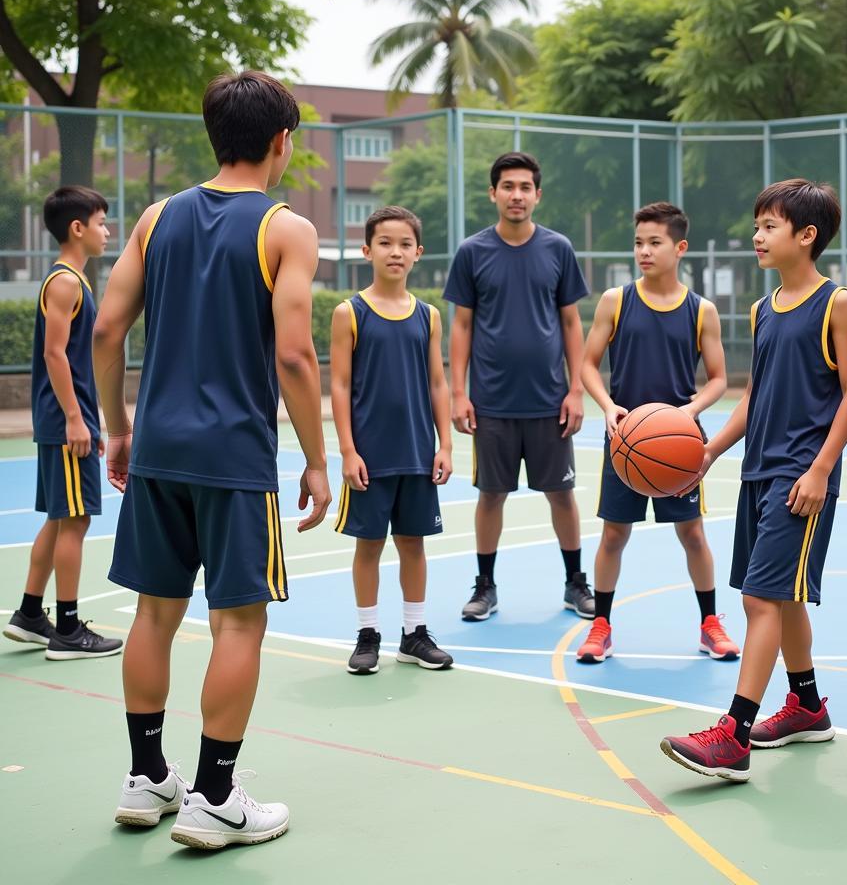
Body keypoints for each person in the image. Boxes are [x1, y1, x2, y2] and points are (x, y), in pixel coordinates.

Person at [94, 71, 331, 847]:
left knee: (153, 614)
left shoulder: (157, 218)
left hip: (158, 450)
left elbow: (105, 330)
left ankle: (145, 779)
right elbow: (295, 355)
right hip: (233, 457)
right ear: (280, 142)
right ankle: (216, 796)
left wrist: (119, 427)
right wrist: (317, 459)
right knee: (238, 623)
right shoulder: (286, 228)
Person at [660, 178, 847, 782]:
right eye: (757, 225)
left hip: (800, 476)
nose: (757, 235)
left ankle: (734, 735)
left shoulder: (837, 303)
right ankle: (805, 705)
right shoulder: (761, 309)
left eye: (769, 226)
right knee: (783, 595)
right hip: (758, 472)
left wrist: (822, 470)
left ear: (806, 236)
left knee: (759, 599)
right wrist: (708, 454)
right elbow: (753, 397)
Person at [576, 202, 738, 663]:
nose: (644, 251)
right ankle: (601, 626)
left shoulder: (700, 310)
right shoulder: (616, 300)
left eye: (655, 242)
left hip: (679, 443)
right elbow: (587, 365)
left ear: (679, 247)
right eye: (638, 243)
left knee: (692, 534)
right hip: (626, 438)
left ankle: (710, 624)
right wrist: (607, 407)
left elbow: (720, 379)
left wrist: (690, 411)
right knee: (613, 535)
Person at [444, 152, 594, 620]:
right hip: (492, 401)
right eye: (508, 186)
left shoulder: (557, 249)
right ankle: (484, 585)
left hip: (550, 401)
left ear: (537, 195)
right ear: (493, 194)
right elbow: (462, 326)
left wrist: (576, 390)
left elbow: (572, 323)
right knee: (491, 495)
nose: (516, 195)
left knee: (561, 494)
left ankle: (575, 582)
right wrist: (458, 391)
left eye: (525, 187)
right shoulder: (472, 252)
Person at [332, 205, 454, 675]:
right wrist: (347, 449)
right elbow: (339, 385)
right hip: (370, 455)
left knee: (413, 544)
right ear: (367, 250)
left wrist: (444, 444)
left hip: (418, 453)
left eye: (405, 244)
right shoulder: (350, 313)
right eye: (385, 242)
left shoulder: (428, 315)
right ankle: (368, 635)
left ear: (418, 253)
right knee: (368, 546)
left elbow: (438, 384)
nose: (395, 251)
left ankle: (414, 634)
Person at [3, 186, 122, 660]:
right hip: (63, 420)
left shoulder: (70, 280)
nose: (107, 230)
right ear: (78, 228)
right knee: (76, 518)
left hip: (64, 419)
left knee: (60, 518)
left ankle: (31, 614)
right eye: (100, 222)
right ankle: (68, 630)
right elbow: (56, 353)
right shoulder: (66, 282)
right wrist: (76, 419)